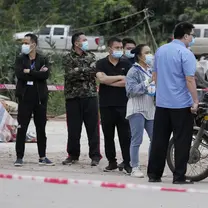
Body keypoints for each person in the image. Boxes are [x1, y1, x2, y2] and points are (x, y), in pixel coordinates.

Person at [147, 22, 199, 184]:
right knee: (181, 141)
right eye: (192, 35)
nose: (192, 38)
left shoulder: (161, 50)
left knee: (159, 140)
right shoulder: (186, 53)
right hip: (181, 105)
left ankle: (154, 175)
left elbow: (154, 75)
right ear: (185, 36)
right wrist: (195, 101)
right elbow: (189, 79)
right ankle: (179, 176)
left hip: (162, 104)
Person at [62, 32, 102, 166]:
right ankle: (73, 154)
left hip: (90, 96)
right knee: (73, 128)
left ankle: (95, 155)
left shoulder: (91, 56)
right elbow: (69, 75)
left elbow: (93, 73)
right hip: (73, 97)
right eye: (83, 40)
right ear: (76, 43)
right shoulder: (67, 57)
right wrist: (84, 70)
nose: (86, 42)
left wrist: (79, 70)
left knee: (93, 128)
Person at [13, 33, 53, 166]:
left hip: (40, 98)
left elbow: (45, 75)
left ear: (33, 45)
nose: (24, 45)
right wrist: (35, 73)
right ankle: (19, 157)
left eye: (26, 42)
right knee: (22, 127)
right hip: (25, 97)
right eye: (23, 43)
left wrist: (29, 72)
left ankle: (42, 156)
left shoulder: (43, 59)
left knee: (41, 127)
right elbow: (19, 74)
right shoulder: (20, 59)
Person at [95, 37, 133, 173]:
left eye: (121, 48)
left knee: (125, 136)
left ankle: (128, 162)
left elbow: (128, 82)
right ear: (109, 49)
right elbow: (101, 79)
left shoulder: (126, 63)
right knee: (108, 135)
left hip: (123, 104)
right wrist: (120, 77)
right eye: (116, 48)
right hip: (106, 105)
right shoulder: (100, 63)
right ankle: (112, 162)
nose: (119, 50)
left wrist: (109, 81)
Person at [125, 44, 155, 178]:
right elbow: (131, 91)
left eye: (150, 52)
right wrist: (148, 82)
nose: (150, 55)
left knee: (155, 139)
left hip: (150, 108)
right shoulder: (133, 71)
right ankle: (134, 167)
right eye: (146, 53)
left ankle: (152, 165)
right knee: (137, 139)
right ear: (139, 56)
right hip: (137, 108)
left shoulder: (151, 70)